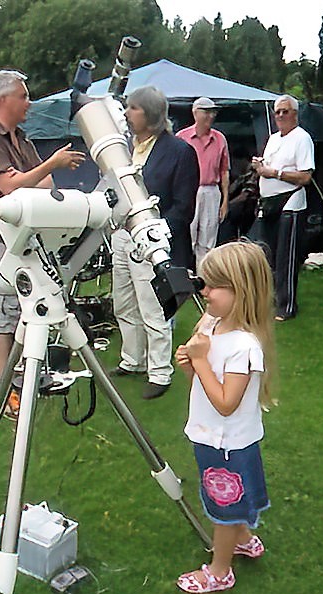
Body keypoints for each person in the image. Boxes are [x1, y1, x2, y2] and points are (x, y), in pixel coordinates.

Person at [0, 69, 85, 417]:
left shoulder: (22, 138)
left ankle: (24, 377)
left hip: (23, 236)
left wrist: (46, 179)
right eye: (24, 95)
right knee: (1, 311)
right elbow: (11, 187)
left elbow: (43, 183)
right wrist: (51, 164)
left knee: (27, 308)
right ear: (5, 100)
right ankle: (3, 384)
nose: (29, 102)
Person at [175, 241, 276, 594]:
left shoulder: (244, 346)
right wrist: (192, 364)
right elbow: (203, 385)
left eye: (214, 285)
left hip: (227, 442)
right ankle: (243, 538)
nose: (204, 291)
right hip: (209, 435)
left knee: (224, 504)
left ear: (242, 290)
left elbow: (226, 403)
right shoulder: (213, 325)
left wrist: (200, 361)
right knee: (230, 496)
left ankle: (220, 572)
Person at [111, 86, 200, 400]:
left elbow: (183, 206)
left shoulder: (179, 151)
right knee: (123, 302)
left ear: (150, 115)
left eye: (132, 108)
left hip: (152, 237)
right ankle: (132, 359)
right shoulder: (122, 148)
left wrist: (156, 234)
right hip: (121, 234)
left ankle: (160, 371)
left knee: (152, 307)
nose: (126, 113)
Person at [251, 94, 314, 321]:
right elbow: (270, 166)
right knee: (269, 254)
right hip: (269, 202)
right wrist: (261, 166)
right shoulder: (274, 138)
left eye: (284, 111)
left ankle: (287, 306)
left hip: (290, 202)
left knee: (286, 256)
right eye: (277, 111)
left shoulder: (302, 138)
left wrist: (274, 173)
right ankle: (273, 299)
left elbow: (305, 176)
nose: (279, 116)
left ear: (294, 114)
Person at [176, 97, 230, 268]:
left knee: (208, 239)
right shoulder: (182, 138)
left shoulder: (220, 139)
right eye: (206, 112)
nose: (210, 116)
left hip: (211, 190)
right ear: (195, 113)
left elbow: (224, 171)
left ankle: (204, 280)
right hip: (188, 191)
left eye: (213, 112)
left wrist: (225, 201)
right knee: (187, 236)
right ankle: (184, 277)